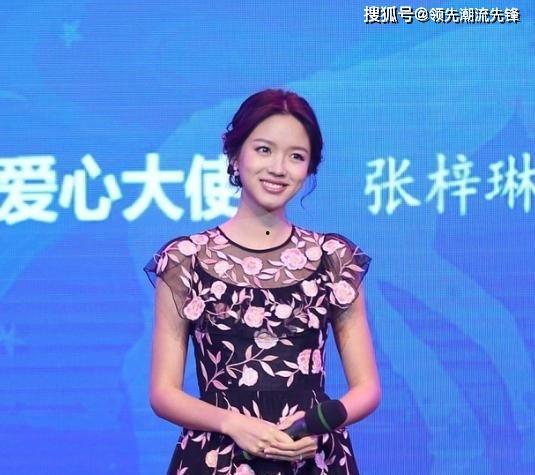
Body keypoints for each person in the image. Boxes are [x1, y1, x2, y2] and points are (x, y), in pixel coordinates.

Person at [144, 89, 381, 474]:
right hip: (218, 455)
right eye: (264, 150)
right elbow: (163, 392)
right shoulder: (186, 260)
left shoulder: (333, 259)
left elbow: (367, 388)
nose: (279, 168)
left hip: (310, 454)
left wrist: (315, 424)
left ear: (310, 168)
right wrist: (234, 424)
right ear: (234, 155)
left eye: (296, 156)